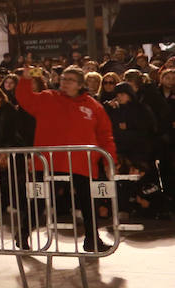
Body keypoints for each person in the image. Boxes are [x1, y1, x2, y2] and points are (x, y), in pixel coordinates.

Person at [16, 65, 117, 253]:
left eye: (70, 80)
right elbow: (24, 99)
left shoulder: (93, 106)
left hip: (82, 163)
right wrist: (26, 79)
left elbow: (105, 135)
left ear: (80, 84)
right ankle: (23, 233)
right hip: (49, 161)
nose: (65, 82)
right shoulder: (48, 98)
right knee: (38, 201)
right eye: (63, 79)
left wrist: (109, 161)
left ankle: (92, 239)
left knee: (88, 203)